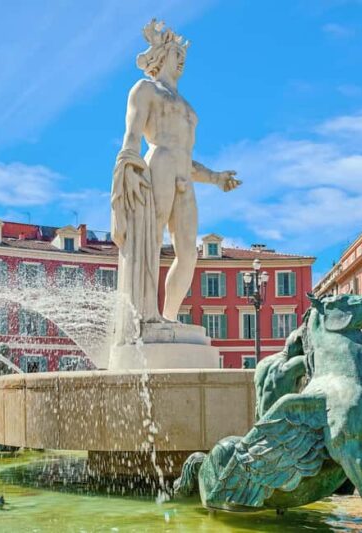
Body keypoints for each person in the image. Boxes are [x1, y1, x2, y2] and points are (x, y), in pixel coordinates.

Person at [111, 20, 240, 345]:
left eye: (183, 56)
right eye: (175, 53)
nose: (181, 60)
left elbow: (187, 156)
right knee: (150, 240)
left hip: (184, 174)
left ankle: (166, 318)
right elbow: (133, 136)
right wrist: (126, 172)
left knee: (188, 253)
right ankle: (145, 316)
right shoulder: (145, 90)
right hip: (160, 165)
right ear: (160, 55)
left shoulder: (187, 107)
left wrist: (215, 177)